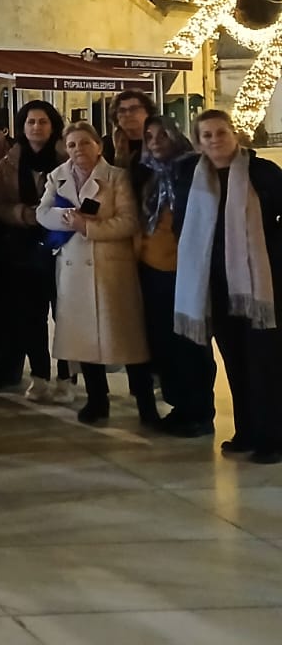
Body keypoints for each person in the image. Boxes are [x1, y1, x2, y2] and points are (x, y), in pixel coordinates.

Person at [172, 110, 282, 464]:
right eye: (207, 135)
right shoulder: (190, 175)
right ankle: (246, 431)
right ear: (198, 141)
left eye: (221, 132)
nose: (215, 140)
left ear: (235, 134)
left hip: (259, 286)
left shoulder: (262, 172)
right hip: (215, 285)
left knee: (265, 364)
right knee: (235, 361)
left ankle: (273, 438)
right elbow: (180, 223)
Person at [37, 122, 156, 426]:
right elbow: (42, 213)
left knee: (128, 339)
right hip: (73, 268)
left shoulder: (116, 177)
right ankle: (96, 400)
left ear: (99, 146)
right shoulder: (57, 175)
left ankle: (146, 404)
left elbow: (129, 221)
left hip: (111, 268)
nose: (78, 149)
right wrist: (67, 218)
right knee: (84, 339)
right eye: (72, 144)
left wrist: (88, 227)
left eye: (85, 143)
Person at [134, 115, 212, 436]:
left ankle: (200, 412)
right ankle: (181, 407)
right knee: (165, 343)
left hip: (186, 270)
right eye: (149, 137)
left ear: (176, 136)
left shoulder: (194, 169)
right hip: (154, 270)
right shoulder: (151, 174)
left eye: (162, 135)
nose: (155, 142)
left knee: (191, 344)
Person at [0, 100, 65, 397]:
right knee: (31, 314)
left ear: (53, 125)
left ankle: (67, 375)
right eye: (31, 122)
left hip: (62, 245)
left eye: (43, 122)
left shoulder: (65, 158)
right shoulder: (9, 162)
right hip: (23, 246)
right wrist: (23, 214)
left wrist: (52, 217)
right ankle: (40, 373)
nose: (36, 127)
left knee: (64, 314)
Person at [104, 89, 156, 168]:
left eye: (134, 109)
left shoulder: (160, 143)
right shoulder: (107, 145)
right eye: (122, 110)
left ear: (148, 112)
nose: (127, 114)